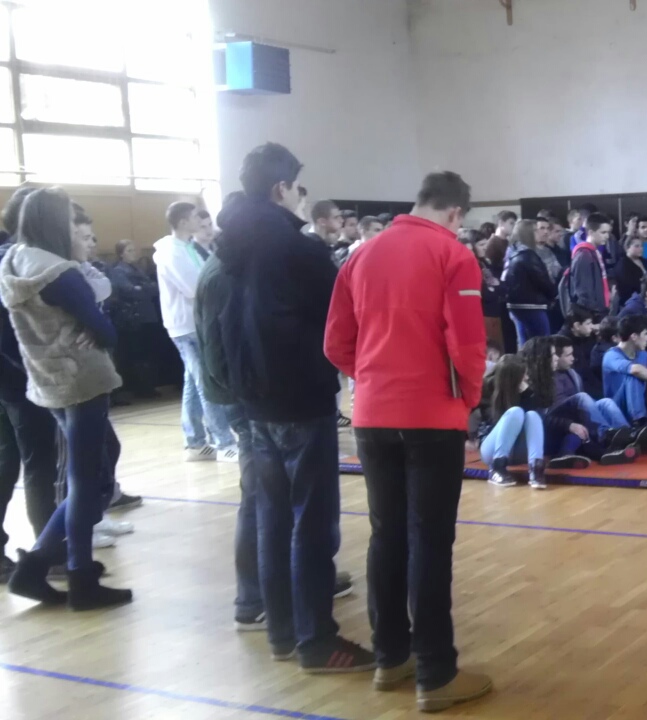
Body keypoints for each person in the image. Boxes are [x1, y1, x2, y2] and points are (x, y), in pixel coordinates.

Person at [325, 168, 492, 707]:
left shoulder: (360, 255)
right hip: (431, 416)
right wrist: (467, 398)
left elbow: (336, 342)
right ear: (455, 212)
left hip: (373, 414)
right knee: (429, 542)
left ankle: (390, 657)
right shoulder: (453, 254)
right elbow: (468, 341)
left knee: (387, 536)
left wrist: (375, 378)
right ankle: (436, 674)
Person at [217, 143, 376, 674]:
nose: (301, 199)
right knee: (312, 523)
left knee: (272, 518)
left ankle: (284, 632)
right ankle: (316, 641)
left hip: (254, 397)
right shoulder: (295, 249)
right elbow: (340, 317)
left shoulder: (231, 242)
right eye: (297, 189)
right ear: (281, 188)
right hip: (298, 396)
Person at [1, 187, 130, 610]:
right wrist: (95, 327)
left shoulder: (13, 262)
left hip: (47, 377)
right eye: (71, 221)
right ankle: (75, 574)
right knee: (86, 480)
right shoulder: (60, 272)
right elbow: (107, 333)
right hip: (81, 377)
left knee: (87, 473)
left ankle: (41, 565)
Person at [0, 187, 58, 583]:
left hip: (12, 376)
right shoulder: (18, 260)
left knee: (9, 460)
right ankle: (47, 554)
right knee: (38, 462)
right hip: (19, 377)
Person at [153, 201, 237, 462]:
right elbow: (194, 287)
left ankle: (195, 442)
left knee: (193, 382)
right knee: (205, 383)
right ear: (182, 222)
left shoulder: (187, 247)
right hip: (186, 325)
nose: (199, 221)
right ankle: (224, 443)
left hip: (194, 322)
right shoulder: (171, 251)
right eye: (193, 217)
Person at [521, 336, 641, 462]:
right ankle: (605, 437)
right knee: (581, 400)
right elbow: (541, 417)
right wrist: (569, 424)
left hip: (564, 424)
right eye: (553, 355)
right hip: (546, 432)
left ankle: (627, 435)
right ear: (542, 358)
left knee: (605, 403)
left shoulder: (569, 374)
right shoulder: (531, 382)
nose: (556, 357)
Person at [475, 355, 560, 489]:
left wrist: (527, 394)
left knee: (532, 415)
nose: (527, 378)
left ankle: (536, 469)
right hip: (491, 448)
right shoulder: (486, 388)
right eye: (524, 375)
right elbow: (487, 420)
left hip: (516, 451)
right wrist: (468, 438)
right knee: (515, 411)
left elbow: (536, 418)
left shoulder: (524, 391)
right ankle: (497, 468)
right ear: (513, 378)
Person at [106, 240, 161, 401]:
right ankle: (142, 387)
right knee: (137, 354)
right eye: (129, 250)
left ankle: (149, 385)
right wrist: (143, 288)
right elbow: (130, 291)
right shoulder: (118, 271)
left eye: (134, 250)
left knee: (148, 353)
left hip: (147, 315)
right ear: (121, 254)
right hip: (133, 319)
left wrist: (142, 287)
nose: (133, 253)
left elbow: (154, 288)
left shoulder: (138, 269)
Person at [602, 315, 647, 426]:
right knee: (634, 374)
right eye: (645, 334)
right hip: (617, 410)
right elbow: (635, 370)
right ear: (634, 336)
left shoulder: (643, 355)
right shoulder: (611, 355)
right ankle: (639, 422)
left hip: (641, 404)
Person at [503, 219, 558, 346]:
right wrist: (553, 294)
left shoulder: (513, 252)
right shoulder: (528, 255)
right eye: (535, 230)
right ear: (527, 233)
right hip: (532, 306)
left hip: (517, 306)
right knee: (541, 344)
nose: (540, 233)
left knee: (525, 344)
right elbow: (543, 281)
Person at [562, 212, 611, 317]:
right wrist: (593, 315)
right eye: (603, 232)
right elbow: (583, 292)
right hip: (591, 314)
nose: (607, 236)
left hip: (598, 311)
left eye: (608, 232)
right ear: (591, 232)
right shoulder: (584, 256)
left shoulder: (593, 253)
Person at [610, 236, 647, 311]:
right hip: (631, 304)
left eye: (641, 246)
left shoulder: (645, 261)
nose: (641, 248)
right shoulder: (622, 265)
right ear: (627, 248)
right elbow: (626, 288)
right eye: (637, 246)